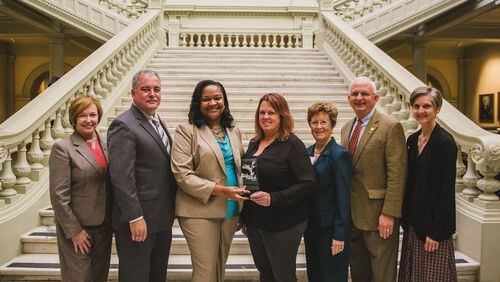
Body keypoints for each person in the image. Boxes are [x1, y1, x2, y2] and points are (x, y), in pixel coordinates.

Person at [170, 80, 249, 282]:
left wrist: (243, 206)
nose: (213, 103)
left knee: (219, 271)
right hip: (198, 212)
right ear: (198, 102)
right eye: (206, 99)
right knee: (205, 273)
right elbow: (182, 174)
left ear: (224, 100)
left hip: (230, 210)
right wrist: (222, 190)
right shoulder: (186, 130)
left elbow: (240, 168)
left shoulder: (232, 130)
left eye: (217, 98)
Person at [107, 70, 176, 282]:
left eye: (156, 89)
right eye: (145, 89)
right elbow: (121, 178)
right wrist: (135, 217)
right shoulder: (124, 125)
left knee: (157, 276)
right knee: (135, 277)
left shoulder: (156, 120)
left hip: (161, 219)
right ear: (133, 93)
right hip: (138, 222)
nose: (152, 94)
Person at [240, 93, 315, 282]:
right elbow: (251, 181)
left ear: (282, 116)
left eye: (271, 113)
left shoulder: (292, 144)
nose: (265, 117)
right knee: (265, 273)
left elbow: (308, 183)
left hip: (284, 224)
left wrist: (274, 198)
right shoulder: (254, 143)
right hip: (255, 222)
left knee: (283, 275)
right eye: (262, 112)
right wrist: (245, 216)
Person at [340, 76, 407, 282]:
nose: (359, 98)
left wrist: (389, 213)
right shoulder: (346, 127)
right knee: (359, 274)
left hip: (379, 217)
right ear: (349, 98)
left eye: (365, 94)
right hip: (352, 216)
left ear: (376, 97)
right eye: (354, 94)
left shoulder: (390, 126)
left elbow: (397, 174)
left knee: (382, 275)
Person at [49, 95, 112, 282]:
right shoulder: (63, 149)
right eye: (82, 115)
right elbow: (58, 196)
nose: (88, 120)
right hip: (78, 228)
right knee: (80, 278)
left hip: (104, 225)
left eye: (93, 115)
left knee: (100, 276)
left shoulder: (108, 143)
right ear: (74, 118)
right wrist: (75, 231)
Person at [399, 87, 458, 281]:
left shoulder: (445, 142)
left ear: (437, 109)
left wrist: (436, 232)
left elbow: (446, 191)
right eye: (416, 106)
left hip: (434, 228)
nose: (420, 111)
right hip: (414, 224)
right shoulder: (412, 139)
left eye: (426, 106)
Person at [304, 102, 352, 282]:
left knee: (332, 277)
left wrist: (340, 235)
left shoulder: (340, 155)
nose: (318, 127)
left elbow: (344, 197)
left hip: (331, 231)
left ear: (332, 125)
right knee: (314, 276)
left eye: (324, 122)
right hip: (311, 229)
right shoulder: (306, 152)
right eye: (314, 122)